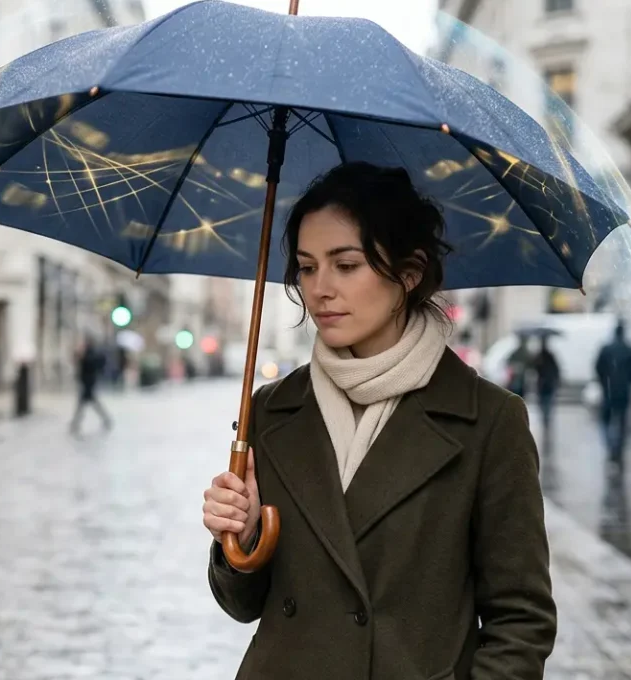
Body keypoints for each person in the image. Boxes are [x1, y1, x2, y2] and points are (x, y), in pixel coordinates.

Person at [201, 163, 556, 678]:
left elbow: (521, 622)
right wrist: (243, 537)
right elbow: (242, 604)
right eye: (306, 267)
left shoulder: (489, 420)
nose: (319, 288)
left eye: (345, 265)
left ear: (409, 273)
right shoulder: (272, 409)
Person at [594, 322, 631, 470]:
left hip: (609, 391)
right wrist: (627, 381)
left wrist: (604, 382)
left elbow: (598, 368)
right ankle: (618, 448)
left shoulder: (606, 349)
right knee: (622, 421)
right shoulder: (630, 350)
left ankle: (611, 447)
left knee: (606, 420)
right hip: (623, 392)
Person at [69, 337, 112, 435]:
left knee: (84, 405)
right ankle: (106, 419)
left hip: (88, 383)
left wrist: (82, 357)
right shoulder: (85, 354)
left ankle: (75, 423)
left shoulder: (90, 355)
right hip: (86, 383)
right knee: (90, 404)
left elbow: (90, 365)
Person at [531, 334, 562, 435]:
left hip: (546, 384)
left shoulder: (545, 356)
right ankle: (546, 421)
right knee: (545, 404)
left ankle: (546, 421)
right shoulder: (542, 356)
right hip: (545, 384)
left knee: (545, 404)